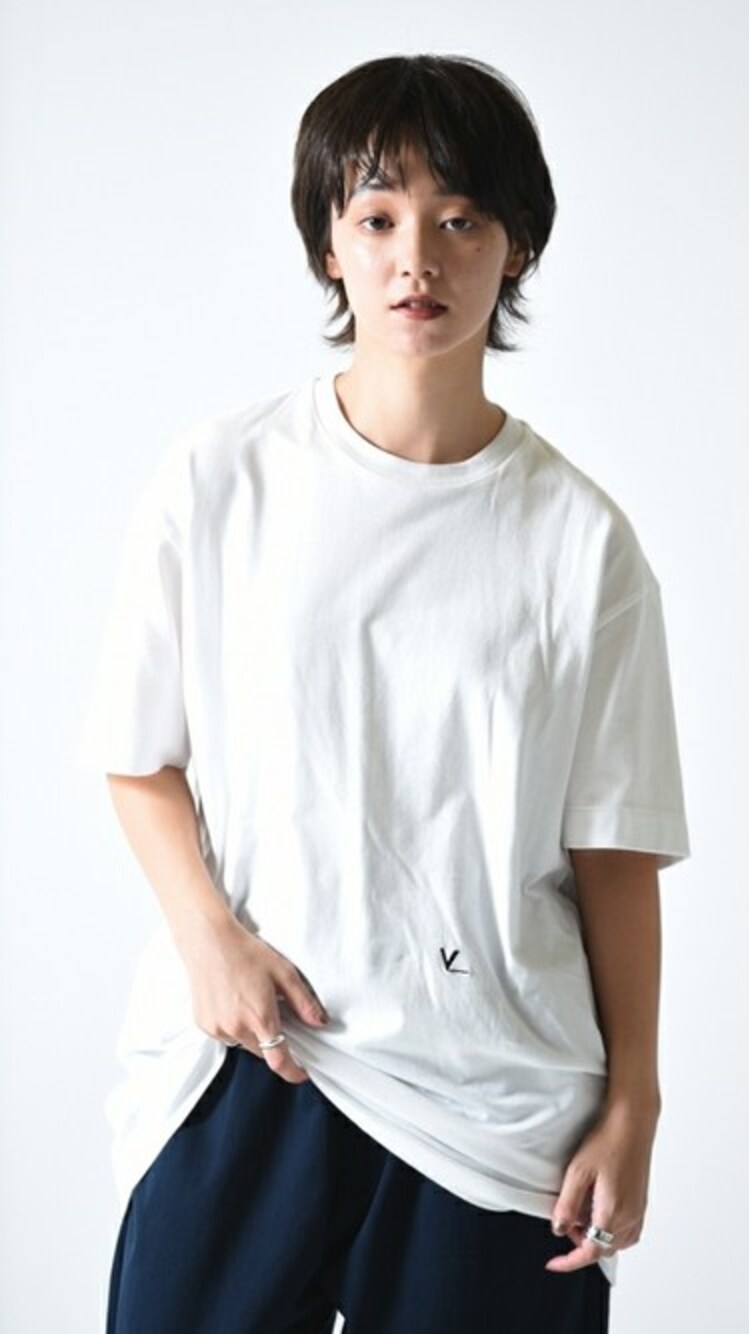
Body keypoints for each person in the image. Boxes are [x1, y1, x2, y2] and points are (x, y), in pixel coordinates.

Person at [76, 52, 691, 1334]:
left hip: (496, 1098)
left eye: (460, 219)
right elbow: (138, 752)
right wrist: (207, 937)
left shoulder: (581, 542)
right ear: (329, 245)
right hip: (251, 1058)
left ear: (517, 247)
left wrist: (634, 1098)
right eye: (378, 217)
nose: (418, 258)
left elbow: (613, 853)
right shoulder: (220, 480)